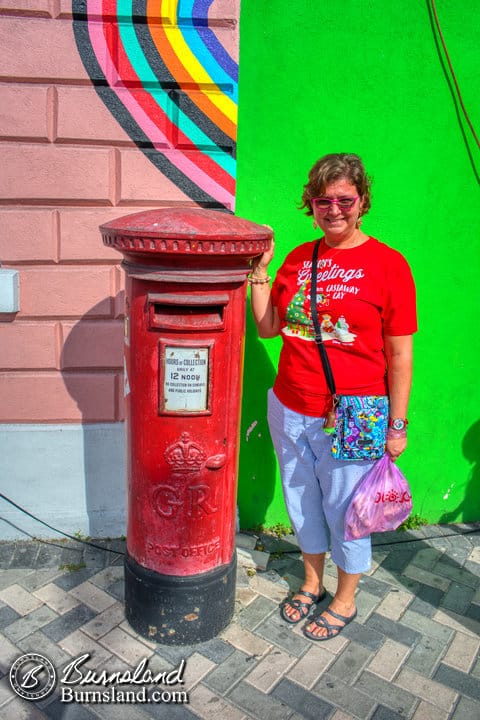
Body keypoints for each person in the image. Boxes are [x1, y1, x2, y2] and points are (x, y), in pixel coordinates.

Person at [249, 153, 417, 641]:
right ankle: (311, 581)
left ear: (362, 201)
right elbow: (268, 327)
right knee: (301, 500)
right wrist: (260, 272)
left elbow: (400, 356)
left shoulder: (389, 266)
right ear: (312, 203)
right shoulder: (300, 258)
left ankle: (346, 597)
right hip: (289, 403)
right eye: (323, 200)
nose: (333, 209)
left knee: (346, 508)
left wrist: (398, 425)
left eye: (345, 199)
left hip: (357, 410)